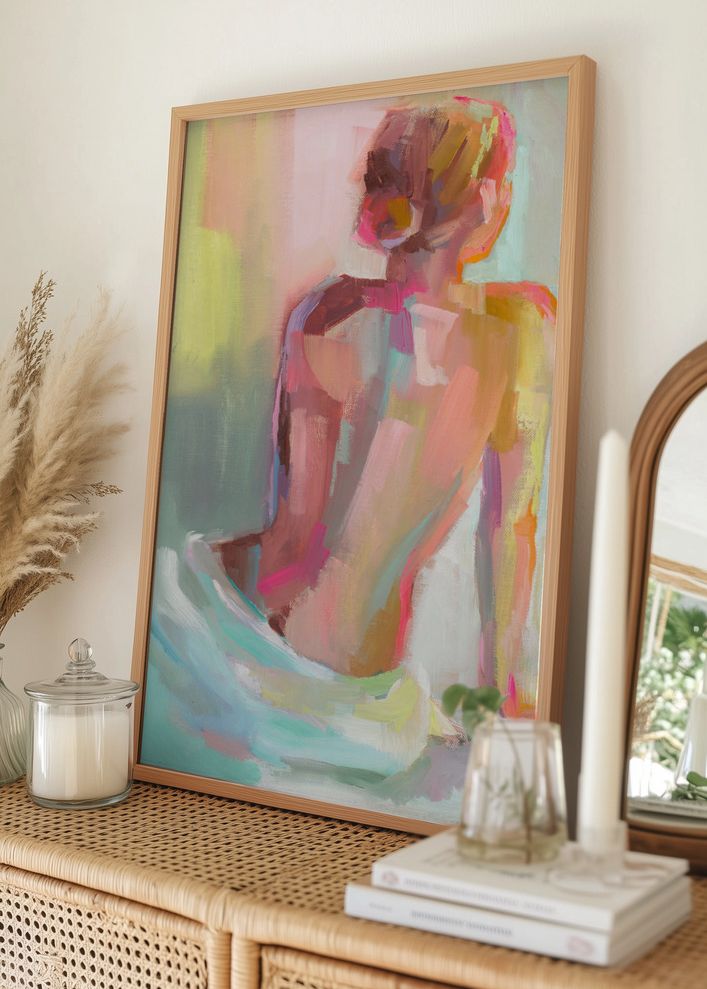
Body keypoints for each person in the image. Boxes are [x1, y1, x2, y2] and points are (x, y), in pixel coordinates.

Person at [217, 97, 554, 714]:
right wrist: (504, 698)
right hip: (363, 681)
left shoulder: (327, 313)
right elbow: (509, 534)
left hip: (271, 648)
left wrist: (205, 579)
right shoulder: (522, 333)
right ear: (486, 198)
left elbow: (291, 548)